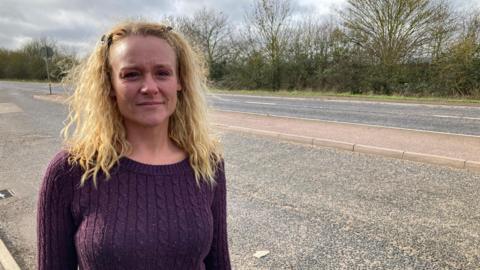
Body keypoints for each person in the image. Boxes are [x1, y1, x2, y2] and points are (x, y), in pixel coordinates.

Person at [37, 21, 231, 270]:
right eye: (131, 74)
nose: (150, 87)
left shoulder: (206, 163)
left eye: (162, 73)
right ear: (109, 86)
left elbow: (219, 263)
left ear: (179, 81)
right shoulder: (70, 171)